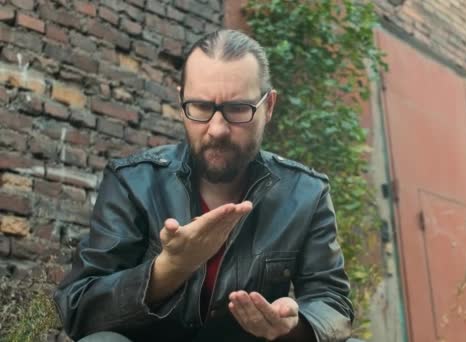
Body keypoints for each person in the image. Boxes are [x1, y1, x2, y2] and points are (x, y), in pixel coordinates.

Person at [53, 29, 354, 342]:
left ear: (269, 107)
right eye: (200, 107)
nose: (217, 129)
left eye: (238, 109)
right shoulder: (133, 183)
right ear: (182, 99)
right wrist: (169, 269)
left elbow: (333, 304)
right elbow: (79, 308)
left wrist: (291, 327)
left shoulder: (305, 194)